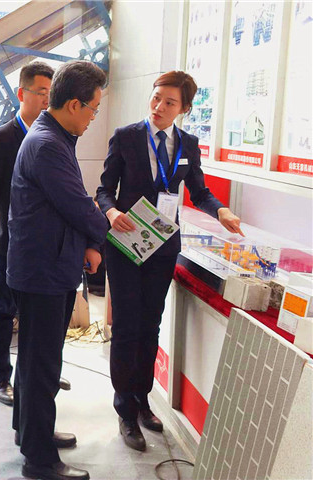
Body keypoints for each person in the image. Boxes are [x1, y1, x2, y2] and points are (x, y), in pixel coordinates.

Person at [96, 71, 243, 452]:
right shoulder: (126, 136)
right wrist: (111, 213)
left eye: (170, 102)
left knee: (151, 324)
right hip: (126, 243)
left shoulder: (188, 144)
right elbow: (103, 189)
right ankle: (125, 409)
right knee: (126, 326)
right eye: (157, 97)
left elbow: (199, 191)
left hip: (162, 247)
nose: (159, 106)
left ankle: (142, 398)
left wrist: (221, 211)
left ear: (184, 109)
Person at [7, 60, 109, 480]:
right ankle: (40, 459)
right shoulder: (48, 144)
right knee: (42, 364)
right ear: (73, 105)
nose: (93, 117)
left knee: (35, 361)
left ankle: (30, 432)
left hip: (46, 266)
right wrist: (103, 231)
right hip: (43, 272)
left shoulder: (53, 135)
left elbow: (70, 203)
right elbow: (78, 204)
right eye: (93, 109)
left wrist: (89, 243)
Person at [0, 61, 55, 406]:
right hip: (10, 240)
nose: (47, 100)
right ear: (22, 93)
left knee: (37, 312)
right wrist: (4, 216)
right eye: (41, 93)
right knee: (4, 309)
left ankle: (33, 371)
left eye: (51, 94)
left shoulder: (53, 136)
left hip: (44, 242)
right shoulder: (1, 138)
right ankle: (1, 376)